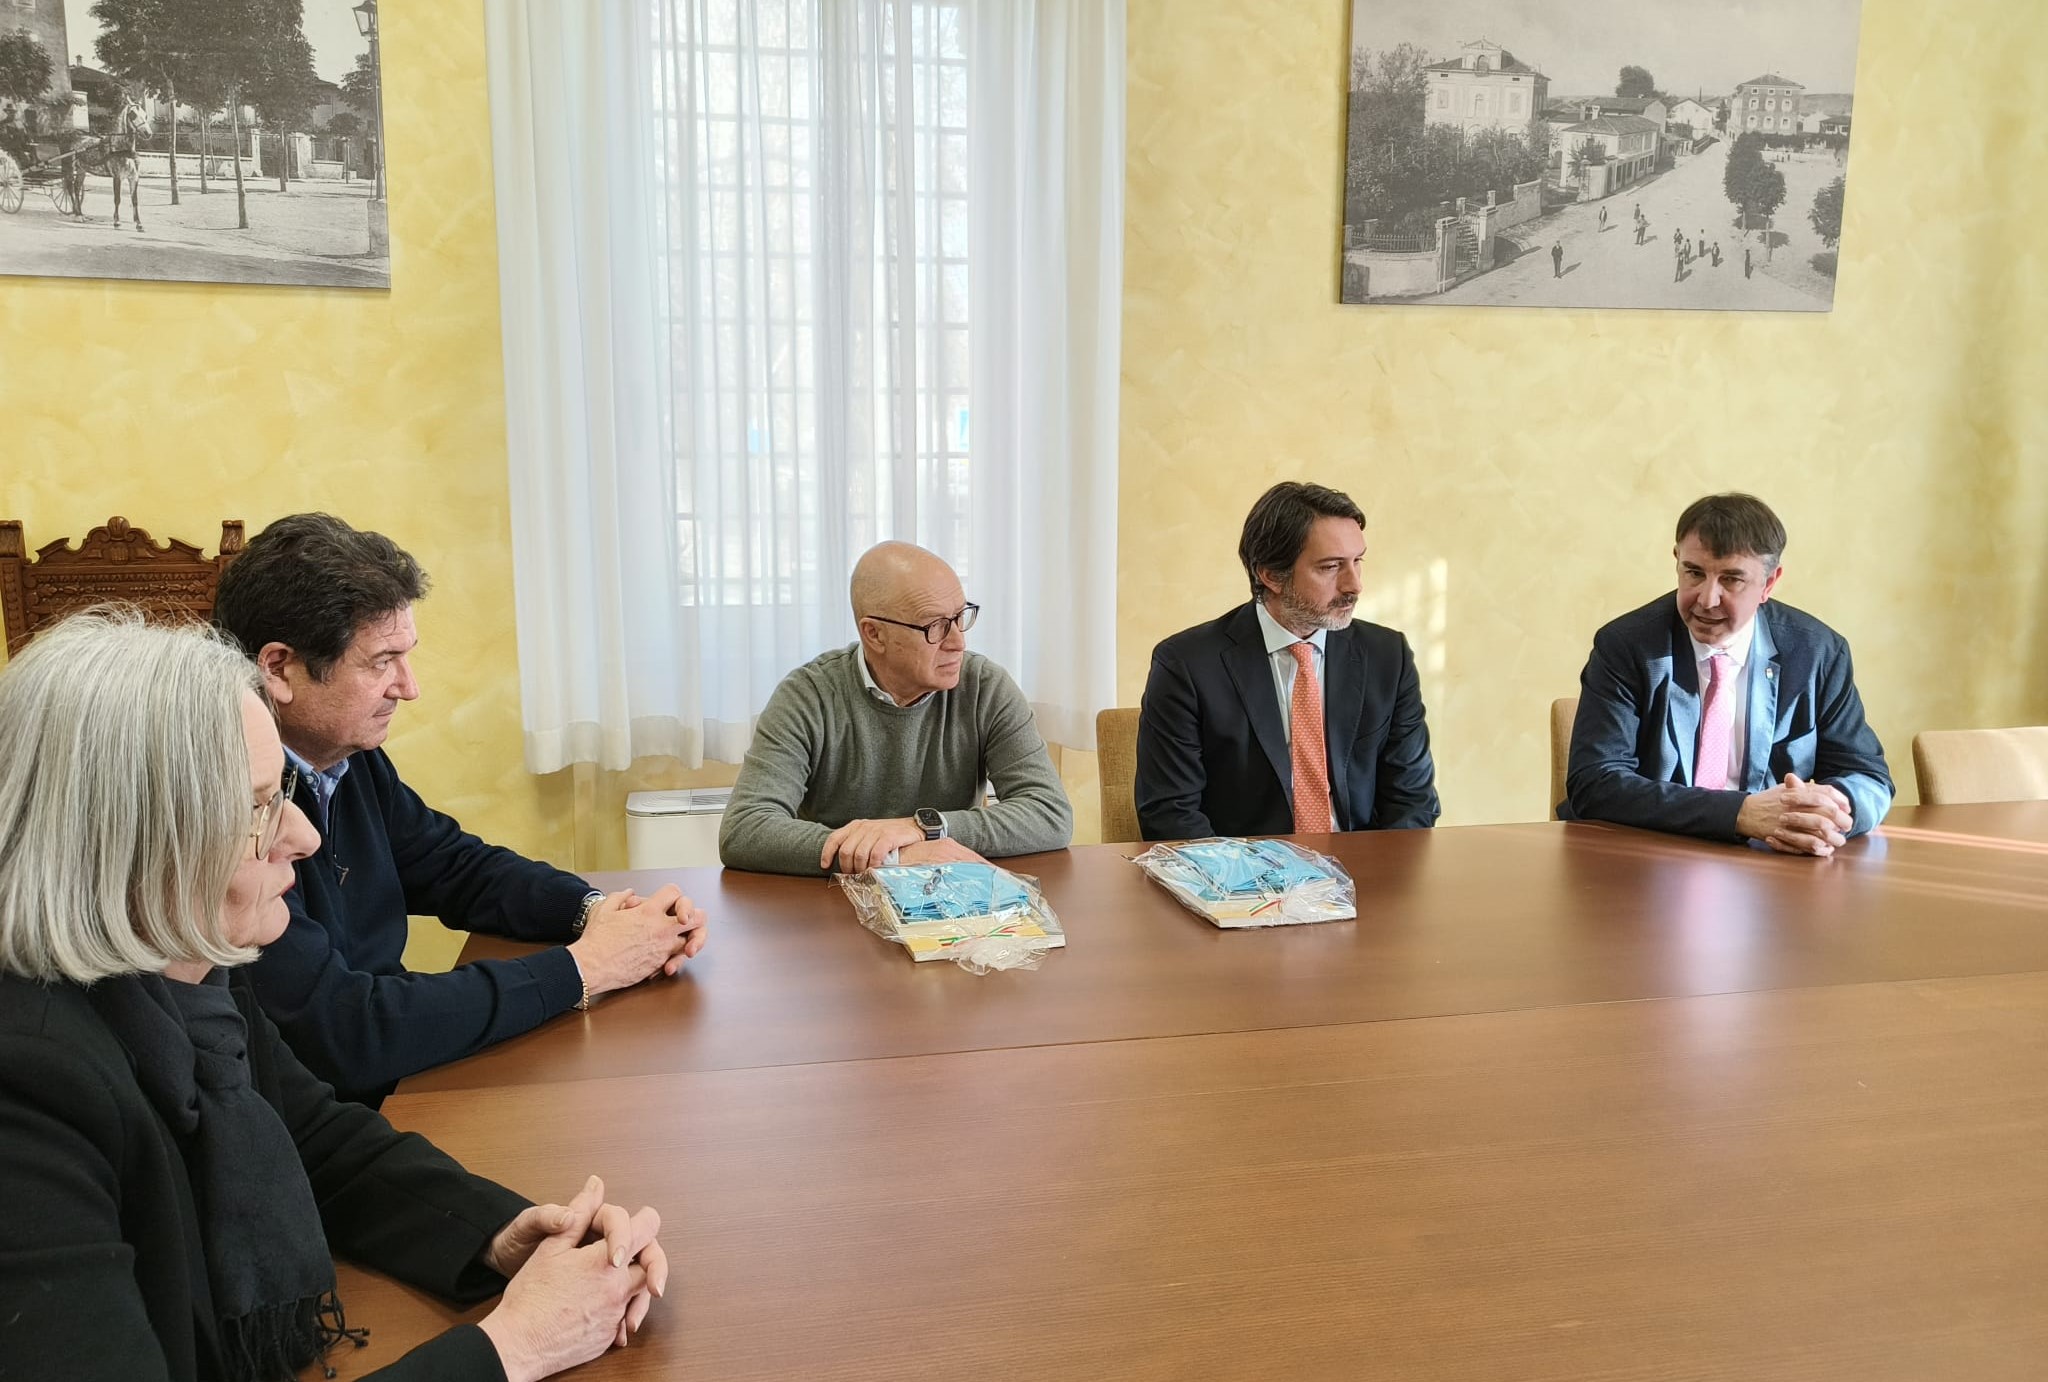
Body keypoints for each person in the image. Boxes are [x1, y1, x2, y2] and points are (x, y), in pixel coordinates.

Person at [0, 610, 668, 1382]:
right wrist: (510, 1349)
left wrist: (502, 1233)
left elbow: (320, 1144)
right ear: (130, 843)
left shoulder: (188, 972)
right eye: (255, 808)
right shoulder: (27, 1094)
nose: (301, 835)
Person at [213, 514, 708, 1108]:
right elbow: (346, 1031)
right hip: (318, 1121)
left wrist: (597, 913)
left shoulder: (348, 756)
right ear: (278, 668)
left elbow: (453, 867)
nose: (409, 687)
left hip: (385, 1090)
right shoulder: (225, 809)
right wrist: (585, 968)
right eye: (381, 662)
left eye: (407, 656)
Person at [718, 541, 1073, 875]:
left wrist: (921, 827)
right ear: (874, 634)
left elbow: (1049, 813)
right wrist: (894, 855)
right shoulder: (808, 695)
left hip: (950, 898)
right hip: (832, 905)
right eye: (935, 626)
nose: (958, 642)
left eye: (960, 616)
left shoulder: (985, 687)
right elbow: (745, 828)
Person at [1563, 493, 1892, 853]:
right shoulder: (1626, 645)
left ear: (1769, 583)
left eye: (1732, 579)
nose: (1707, 599)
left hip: (1772, 866)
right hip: (1646, 858)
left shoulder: (1817, 652)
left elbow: (1869, 778)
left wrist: (1831, 809)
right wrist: (1739, 813)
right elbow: (1595, 783)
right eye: (1694, 573)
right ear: (1677, 562)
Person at [1135, 481, 1439, 841]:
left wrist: (1371, 884)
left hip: (1365, 878)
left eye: (1358, 561)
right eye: (1330, 567)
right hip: (1242, 882)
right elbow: (1171, 813)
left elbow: (1412, 801)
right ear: (1270, 575)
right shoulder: (1186, 665)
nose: (1354, 585)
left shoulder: (1389, 656)